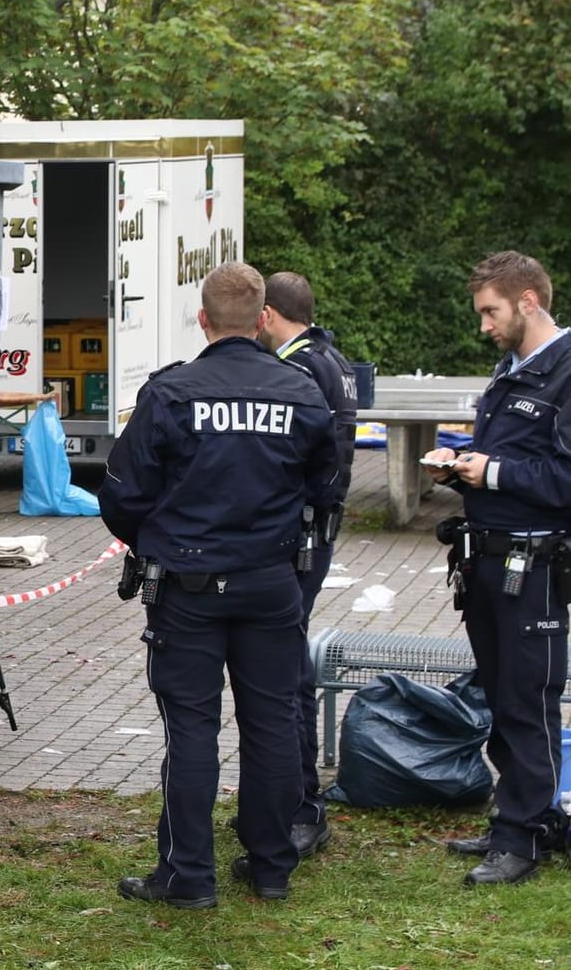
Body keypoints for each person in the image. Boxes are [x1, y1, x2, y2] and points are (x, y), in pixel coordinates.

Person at [99, 262, 340, 908]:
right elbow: (328, 484)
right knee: (271, 725)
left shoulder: (173, 393)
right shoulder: (301, 391)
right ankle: (270, 868)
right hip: (271, 583)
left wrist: (155, 537)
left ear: (203, 320)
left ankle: (189, 878)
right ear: (263, 319)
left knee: (192, 730)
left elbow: (122, 492)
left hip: (190, 587)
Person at [423, 250, 571, 886]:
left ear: (529, 301)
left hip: (532, 567)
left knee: (527, 699)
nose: (484, 323)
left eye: (492, 311)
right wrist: (461, 464)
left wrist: (494, 471)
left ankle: (526, 836)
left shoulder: (565, 371)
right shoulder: (511, 369)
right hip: (487, 558)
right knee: (500, 694)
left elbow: (562, 478)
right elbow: (511, 459)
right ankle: (513, 815)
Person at [259, 272, 359, 861]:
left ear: (268, 313)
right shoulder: (333, 358)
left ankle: (301, 806)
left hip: (297, 537)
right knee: (285, 664)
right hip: (317, 533)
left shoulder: (297, 369)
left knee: (286, 670)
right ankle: (292, 801)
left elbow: (297, 457)